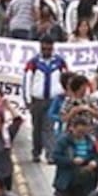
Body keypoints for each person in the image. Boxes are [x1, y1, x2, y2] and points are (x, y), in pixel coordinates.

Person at [23, 35, 67, 163]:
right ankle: (36, 152)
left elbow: (66, 79)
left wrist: (64, 96)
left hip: (53, 100)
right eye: (44, 48)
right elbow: (27, 80)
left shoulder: (59, 62)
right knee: (37, 127)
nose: (47, 51)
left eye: (49, 48)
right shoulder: (34, 62)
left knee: (49, 127)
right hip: (37, 100)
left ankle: (50, 154)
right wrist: (27, 99)